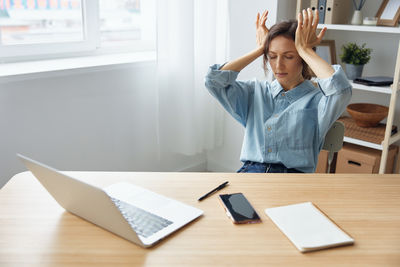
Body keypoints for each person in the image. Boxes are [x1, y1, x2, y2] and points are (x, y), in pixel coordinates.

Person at [205, 8, 352, 173]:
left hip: (293, 180)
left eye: (289, 57)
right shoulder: (254, 92)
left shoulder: (319, 100)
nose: (278, 66)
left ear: (303, 60)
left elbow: (341, 90)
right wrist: (260, 49)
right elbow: (213, 82)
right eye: (272, 56)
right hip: (250, 175)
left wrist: (306, 50)